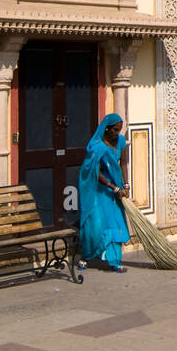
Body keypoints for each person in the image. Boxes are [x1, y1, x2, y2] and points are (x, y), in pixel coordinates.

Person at [79, 113, 130, 272]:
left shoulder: (121, 141)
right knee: (96, 224)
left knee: (116, 223)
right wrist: (111, 186)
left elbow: (122, 164)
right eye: (115, 130)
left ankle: (114, 260)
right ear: (107, 129)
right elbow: (93, 170)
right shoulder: (97, 145)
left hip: (116, 189)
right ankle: (86, 256)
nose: (117, 133)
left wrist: (126, 185)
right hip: (99, 189)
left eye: (120, 130)